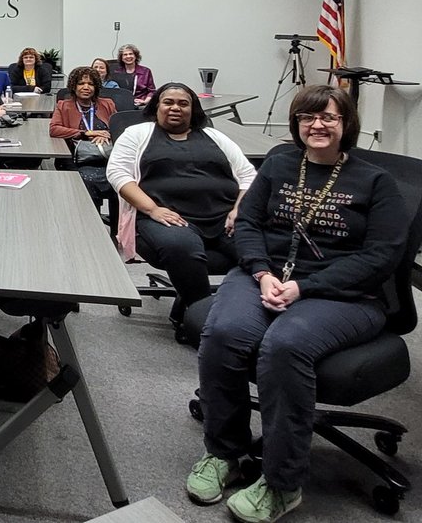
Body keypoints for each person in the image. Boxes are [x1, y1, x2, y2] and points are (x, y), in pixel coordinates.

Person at [188, 85, 405, 523]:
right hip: (266, 276)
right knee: (223, 332)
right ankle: (224, 453)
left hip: (343, 293)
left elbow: (381, 256)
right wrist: (263, 272)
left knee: (284, 347)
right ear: (297, 124)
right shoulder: (280, 164)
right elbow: (248, 223)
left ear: (347, 124)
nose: (317, 125)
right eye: (308, 117)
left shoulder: (376, 182)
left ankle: (282, 483)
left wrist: (304, 287)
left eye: (328, 117)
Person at [106, 82, 256, 323]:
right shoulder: (137, 134)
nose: (175, 107)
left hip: (224, 217)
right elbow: (119, 175)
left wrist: (240, 209)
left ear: (193, 109)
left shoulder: (214, 136)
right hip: (165, 218)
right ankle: (201, 317)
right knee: (181, 246)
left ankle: (256, 314)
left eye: (183, 103)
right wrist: (153, 209)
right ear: (156, 107)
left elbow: (248, 176)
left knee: (260, 246)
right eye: (168, 102)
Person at [50, 66, 116, 206]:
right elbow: (54, 129)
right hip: (78, 159)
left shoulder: (107, 104)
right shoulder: (63, 105)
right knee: (86, 181)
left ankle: (118, 226)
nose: (86, 87)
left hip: (107, 157)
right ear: (74, 86)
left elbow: (120, 129)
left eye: (91, 84)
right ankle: (91, 221)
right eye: (81, 83)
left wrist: (109, 134)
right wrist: (85, 133)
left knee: (123, 180)